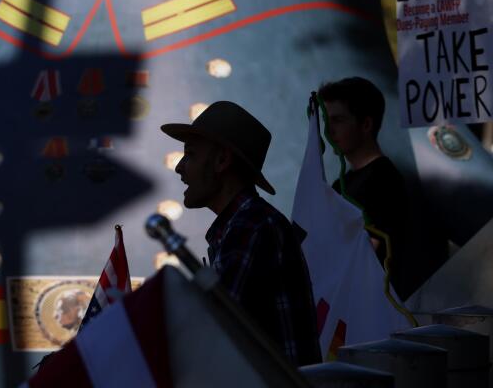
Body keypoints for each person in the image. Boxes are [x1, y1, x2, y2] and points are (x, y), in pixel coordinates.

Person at [162, 100, 321, 367]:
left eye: (190, 154)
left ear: (222, 160)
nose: (180, 168)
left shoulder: (252, 225)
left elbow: (213, 330)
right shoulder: (243, 224)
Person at [319, 77, 414, 297]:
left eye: (338, 120)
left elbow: (367, 253)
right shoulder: (342, 183)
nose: (329, 130)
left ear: (366, 124)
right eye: (327, 121)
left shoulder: (384, 180)